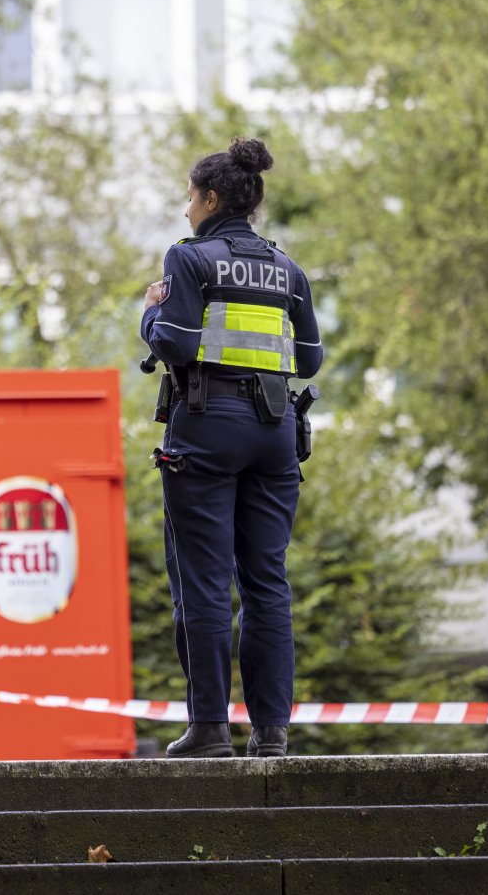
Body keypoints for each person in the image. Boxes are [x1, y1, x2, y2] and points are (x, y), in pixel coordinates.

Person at [140, 137, 323, 759]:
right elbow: (309, 358)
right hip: (274, 434)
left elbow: (176, 345)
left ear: (212, 198)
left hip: (205, 428)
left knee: (205, 580)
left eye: (190, 197)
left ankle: (211, 731)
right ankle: (271, 734)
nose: (186, 208)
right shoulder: (286, 268)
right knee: (267, 581)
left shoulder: (189, 260)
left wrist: (149, 314)